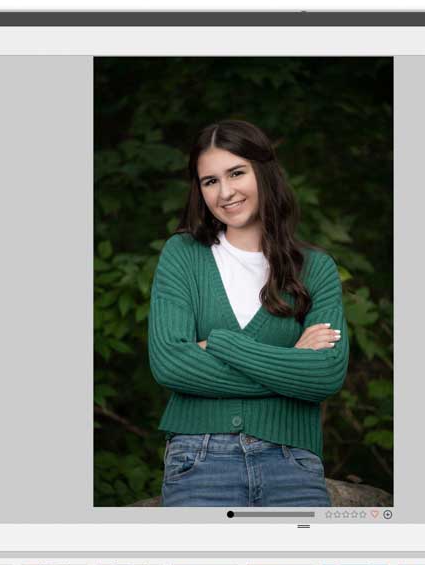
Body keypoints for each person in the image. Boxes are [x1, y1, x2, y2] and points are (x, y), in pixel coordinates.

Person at [149, 120, 349, 507]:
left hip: (293, 462)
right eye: (209, 181)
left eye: (236, 173)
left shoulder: (316, 268)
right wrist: (292, 364)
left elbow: (325, 374)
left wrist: (221, 344)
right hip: (199, 459)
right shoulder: (183, 256)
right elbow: (171, 364)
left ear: (264, 171)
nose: (225, 192)